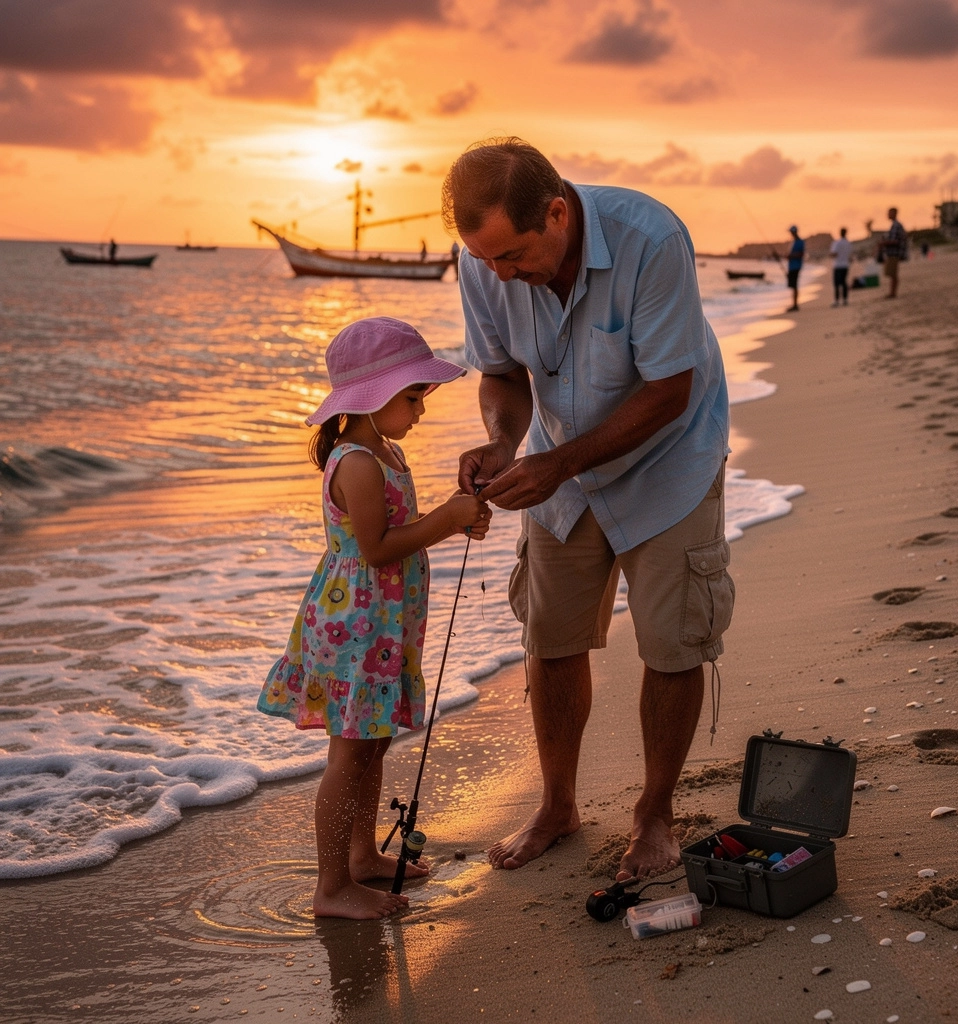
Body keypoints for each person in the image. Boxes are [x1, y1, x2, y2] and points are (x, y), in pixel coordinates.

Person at [442, 137, 734, 882]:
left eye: (512, 255)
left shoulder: (653, 237)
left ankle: (655, 814)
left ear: (558, 212)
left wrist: (557, 463)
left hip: (670, 455)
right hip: (558, 458)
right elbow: (502, 374)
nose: (501, 274)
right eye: (487, 262)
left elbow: (669, 389)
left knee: (670, 641)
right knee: (553, 635)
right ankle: (557, 805)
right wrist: (504, 443)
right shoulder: (483, 260)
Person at [256, 316, 492, 919]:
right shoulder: (356, 461)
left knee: (374, 742)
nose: (420, 410)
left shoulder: (387, 451)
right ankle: (330, 887)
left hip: (383, 627)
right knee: (351, 753)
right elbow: (378, 547)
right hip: (354, 628)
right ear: (375, 398)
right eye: (413, 397)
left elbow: (403, 536)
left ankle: (362, 856)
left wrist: (461, 516)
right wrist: (447, 517)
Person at [879, 207, 908, 298]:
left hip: (894, 252)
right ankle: (892, 292)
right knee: (893, 274)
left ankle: (893, 293)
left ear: (894, 213)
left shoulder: (896, 225)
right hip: (894, 252)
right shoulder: (896, 225)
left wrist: (884, 243)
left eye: (890, 213)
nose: (888, 215)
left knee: (893, 274)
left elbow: (895, 241)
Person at [829, 227, 852, 306]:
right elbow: (849, 255)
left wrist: (831, 255)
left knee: (837, 284)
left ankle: (836, 301)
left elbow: (834, 254)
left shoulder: (837, 243)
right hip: (845, 265)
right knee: (844, 282)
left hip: (838, 265)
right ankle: (845, 299)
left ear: (840, 233)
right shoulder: (848, 243)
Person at [785, 225, 804, 311]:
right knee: (793, 286)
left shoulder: (800, 242)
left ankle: (795, 305)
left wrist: (791, 256)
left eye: (791, 232)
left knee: (795, 285)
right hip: (792, 266)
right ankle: (794, 304)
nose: (791, 234)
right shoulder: (793, 242)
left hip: (796, 266)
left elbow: (801, 254)